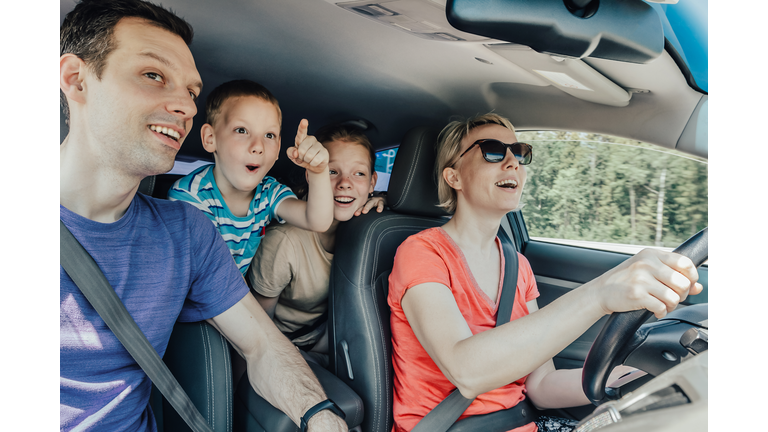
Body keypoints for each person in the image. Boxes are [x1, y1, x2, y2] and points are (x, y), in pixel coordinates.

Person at [59, 1, 346, 431]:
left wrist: (320, 416)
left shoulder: (187, 233)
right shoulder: (196, 201)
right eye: (154, 75)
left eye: (192, 92)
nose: (186, 106)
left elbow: (264, 347)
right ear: (76, 80)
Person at [386, 113, 702, 432]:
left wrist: (625, 376)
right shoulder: (422, 252)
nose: (513, 163)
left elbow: (541, 386)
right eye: (492, 151)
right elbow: (465, 373)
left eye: (520, 152)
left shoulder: (517, 265)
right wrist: (601, 293)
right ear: (454, 177)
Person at [248, 124, 385, 368]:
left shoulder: (375, 232)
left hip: (332, 344)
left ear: (373, 182)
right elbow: (257, 327)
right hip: (281, 346)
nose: (345, 183)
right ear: (312, 175)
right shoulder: (285, 242)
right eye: (332, 171)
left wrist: (385, 202)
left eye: (359, 174)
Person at [167, 79, 333, 275]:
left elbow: (317, 221)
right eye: (241, 130)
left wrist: (318, 171)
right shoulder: (190, 196)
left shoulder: (269, 192)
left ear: (278, 147)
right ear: (210, 139)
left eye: (269, 135)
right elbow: (208, 277)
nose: (258, 146)